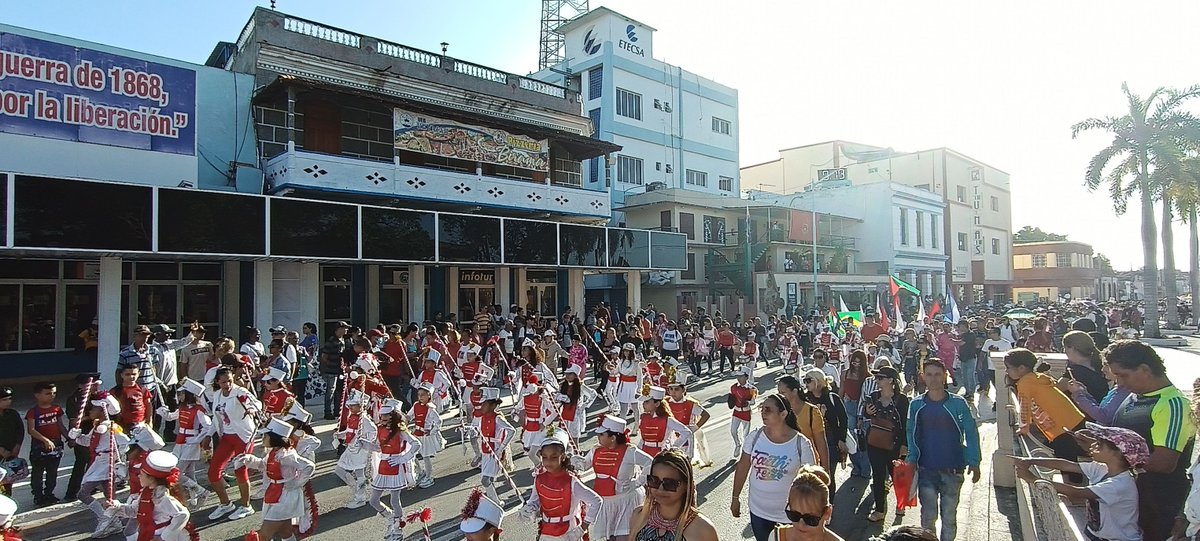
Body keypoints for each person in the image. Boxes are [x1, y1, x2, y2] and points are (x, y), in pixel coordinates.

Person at [1104, 340, 1195, 541]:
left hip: (1161, 505)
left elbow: (1164, 463)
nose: (1119, 382)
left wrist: (1113, 457)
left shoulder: (1173, 404)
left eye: (1123, 375)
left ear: (1144, 369)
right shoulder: (1133, 398)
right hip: (1131, 500)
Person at [1013, 422, 1146, 541]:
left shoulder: (1120, 485)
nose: (1093, 446)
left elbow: (1076, 492)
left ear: (1117, 453)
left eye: (1099, 445)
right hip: (1099, 534)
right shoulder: (1101, 468)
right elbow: (1066, 465)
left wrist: (1033, 479)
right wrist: (1031, 460)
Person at [905, 359, 981, 541]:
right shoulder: (916, 405)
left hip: (953, 468)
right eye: (929, 374)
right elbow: (911, 434)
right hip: (926, 469)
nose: (933, 379)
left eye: (937, 374)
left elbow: (971, 433)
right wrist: (911, 460)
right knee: (927, 518)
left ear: (945, 375)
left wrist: (974, 461)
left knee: (949, 517)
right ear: (922, 376)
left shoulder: (958, 403)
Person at [731, 393, 817, 541]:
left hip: (789, 516)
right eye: (762, 409)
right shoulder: (755, 437)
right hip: (758, 512)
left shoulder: (801, 443)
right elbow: (743, 467)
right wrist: (735, 497)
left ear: (783, 414)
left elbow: (812, 482)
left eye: (768, 410)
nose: (763, 413)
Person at [1004, 349, 1087, 482]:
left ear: (1021, 368)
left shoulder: (1025, 382)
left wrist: (1024, 427)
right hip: (1071, 419)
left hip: (1061, 426)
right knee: (1067, 455)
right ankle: (1072, 487)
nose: (1006, 371)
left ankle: (1072, 490)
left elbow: (1024, 406)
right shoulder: (1037, 378)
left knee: (1066, 458)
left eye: (1008, 368)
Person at [573, 416, 653, 541]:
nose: (598, 437)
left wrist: (637, 483)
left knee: (624, 538)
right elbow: (584, 465)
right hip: (606, 503)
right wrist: (573, 460)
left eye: (602, 434)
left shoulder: (629, 451)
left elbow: (651, 462)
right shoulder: (596, 450)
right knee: (610, 538)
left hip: (625, 502)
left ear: (613, 438)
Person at [518, 428, 602, 540]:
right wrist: (528, 509)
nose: (548, 462)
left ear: (562, 457)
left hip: (569, 532)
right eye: (544, 457)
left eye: (553, 457)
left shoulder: (571, 481)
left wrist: (582, 529)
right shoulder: (539, 478)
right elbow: (535, 501)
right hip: (546, 532)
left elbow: (596, 501)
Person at [241, 418, 317, 541]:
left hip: (286, 496)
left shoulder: (286, 455)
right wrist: (248, 460)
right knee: (285, 532)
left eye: (266, 435)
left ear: (275, 438)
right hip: (274, 492)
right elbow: (263, 465)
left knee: (264, 535)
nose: (263, 438)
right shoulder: (273, 452)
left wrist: (296, 483)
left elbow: (309, 466)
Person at [69, 392, 129, 538]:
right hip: (97, 461)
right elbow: (88, 442)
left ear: (102, 410)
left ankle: (105, 519)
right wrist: (77, 436)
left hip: (107, 463)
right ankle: (112, 522)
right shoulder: (97, 425)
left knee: (84, 493)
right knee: (109, 498)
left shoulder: (112, 427)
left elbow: (125, 442)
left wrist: (118, 459)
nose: (90, 411)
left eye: (93, 408)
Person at [206, 366, 261, 522]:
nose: (228, 384)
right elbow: (217, 418)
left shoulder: (240, 392)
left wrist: (251, 409)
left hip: (244, 436)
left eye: (229, 381)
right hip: (227, 436)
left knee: (240, 471)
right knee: (213, 472)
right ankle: (225, 504)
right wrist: (208, 435)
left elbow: (257, 404)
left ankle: (246, 505)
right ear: (217, 382)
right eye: (224, 382)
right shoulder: (217, 395)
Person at [628, 448, 719, 541]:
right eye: (654, 481)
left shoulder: (703, 529)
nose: (660, 488)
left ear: (687, 486)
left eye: (669, 483)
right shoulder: (639, 515)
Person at [103, 449, 194, 541]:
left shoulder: (162, 498)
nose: (138, 476)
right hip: (147, 534)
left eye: (141, 474)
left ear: (151, 478)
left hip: (160, 535)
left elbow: (183, 514)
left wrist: (163, 537)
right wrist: (116, 507)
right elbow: (135, 511)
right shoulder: (146, 492)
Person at [364, 398, 421, 540]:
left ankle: (397, 529)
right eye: (381, 415)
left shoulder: (401, 431)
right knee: (373, 500)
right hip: (383, 467)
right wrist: (365, 444)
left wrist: (402, 458)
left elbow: (416, 444)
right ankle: (389, 517)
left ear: (392, 415)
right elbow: (379, 447)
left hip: (396, 468)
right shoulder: (380, 429)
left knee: (395, 500)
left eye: (385, 415)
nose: (381, 417)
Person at [155, 378, 213, 509]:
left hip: (190, 443)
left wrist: (197, 439)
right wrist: (163, 412)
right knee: (190, 473)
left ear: (188, 394)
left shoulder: (198, 410)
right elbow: (171, 417)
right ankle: (194, 500)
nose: (179, 396)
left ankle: (201, 492)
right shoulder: (182, 407)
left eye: (181, 393)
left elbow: (208, 426)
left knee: (176, 472)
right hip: (180, 441)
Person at [862, 366, 909, 522]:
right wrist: (866, 412)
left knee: (898, 476)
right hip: (874, 441)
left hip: (894, 444)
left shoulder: (902, 400)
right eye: (877, 378)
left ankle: (901, 505)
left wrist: (904, 444)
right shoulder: (873, 396)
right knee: (878, 476)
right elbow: (865, 414)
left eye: (881, 378)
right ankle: (879, 510)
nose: (877, 381)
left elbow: (905, 424)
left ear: (891, 380)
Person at [802, 368, 847, 493]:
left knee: (828, 475)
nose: (806, 384)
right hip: (810, 441)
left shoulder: (832, 398)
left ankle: (829, 504)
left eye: (808, 380)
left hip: (830, 441)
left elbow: (843, 420)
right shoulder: (804, 399)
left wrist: (841, 439)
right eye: (804, 381)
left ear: (818, 381)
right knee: (810, 474)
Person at [774, 465, 845, 541]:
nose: (801, 524)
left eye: (810, 519)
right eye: (794, 515)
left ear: (827, 513)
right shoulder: (776, 536)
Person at [472, 387, 516, 505]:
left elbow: (512, 431)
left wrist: (501, 448)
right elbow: (477, 430)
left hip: (494, 452)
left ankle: (495, 501)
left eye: (484, 404)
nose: (481, 407)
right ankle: (494, 499)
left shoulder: (497, 418)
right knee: (489, 479)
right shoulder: (481, 418)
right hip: (485, 452)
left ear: (492, 405)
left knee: (485, 480)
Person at [775, 376, 829, 473]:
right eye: (778, 393)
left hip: (808, 467)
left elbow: (821, 442)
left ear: (795, 391)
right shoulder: (778, 412)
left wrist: (825, 469)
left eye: (783, 393)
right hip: (783, 466)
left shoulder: (812, 411)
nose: (780, 396)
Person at [25, 382, 65, 506]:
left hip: (56, 445)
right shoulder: (33, 412)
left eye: (54, 393)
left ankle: (49, 494)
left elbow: (61, 426)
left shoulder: (57, 409)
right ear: (37, 395)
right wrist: (45, 440)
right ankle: (38, 495)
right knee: (37, 473)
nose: (51, 396)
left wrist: (70, 437)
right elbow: (31, 430)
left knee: (52, 472)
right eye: (48, 393)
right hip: (39, 446)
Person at [334, 390, 376, 509]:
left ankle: (360, 497)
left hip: (359, 450)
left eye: (354, 405)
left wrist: (363, 441)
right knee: (339, 470)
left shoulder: (364, 420)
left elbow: (373, 431)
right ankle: (356, 489)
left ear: (361, 405)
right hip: (350, 448)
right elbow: (350, 432)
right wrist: (340, 435)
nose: (351, 407)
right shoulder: (351, 417)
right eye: (350, 405)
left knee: (359, 473)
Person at [666, 372, 712, 467]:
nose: (673, 392)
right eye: (671, 389)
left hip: (686, 435)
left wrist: (695, 428)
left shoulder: (690, 404)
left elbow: (706, 415)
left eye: (676, 389)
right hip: (670, 435)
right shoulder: (665, 402)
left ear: (683, 390)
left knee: (686, 461)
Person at [408, 382, 445, 489]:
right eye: (419, 395)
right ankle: (420, 471)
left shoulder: (430, 408)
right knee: (412, 454)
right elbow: (409, 416)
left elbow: (438, 421)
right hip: (416, 434)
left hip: (425, 436)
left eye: (423, 395)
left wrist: (432, 431)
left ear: (429, 395)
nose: (420, 397)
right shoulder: (415, 405)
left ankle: (429, 476)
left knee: (425, 457)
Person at [728, 367, 757, 457]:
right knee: (733, 431)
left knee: (745, 434)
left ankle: (746, 450)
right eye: (738, 376)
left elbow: (753, 401)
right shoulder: (733, 387)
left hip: (746, 412)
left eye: (741, 376)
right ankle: (737, 444)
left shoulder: (752, 389)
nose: (738, 378)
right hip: (736, 411)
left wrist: (747, 401)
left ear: (746, 377)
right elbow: (732, 397)